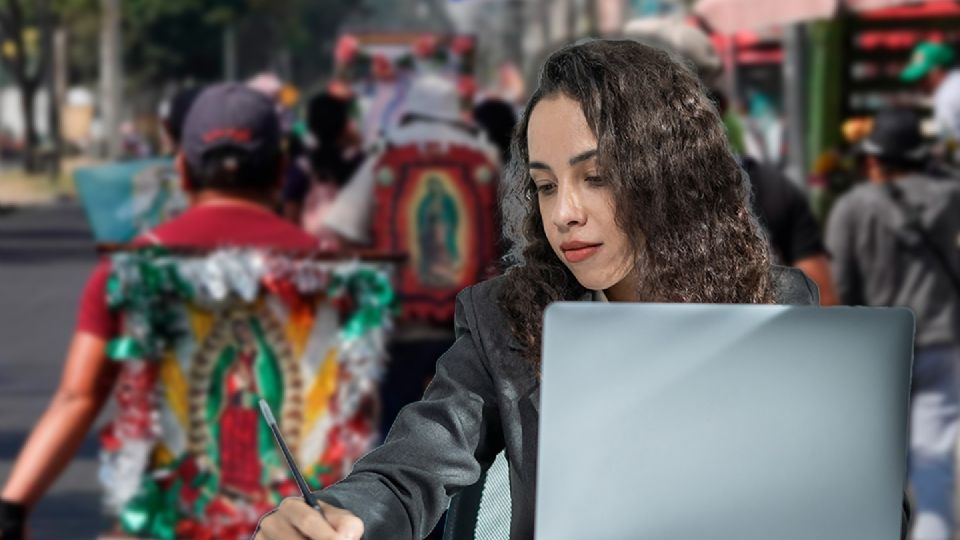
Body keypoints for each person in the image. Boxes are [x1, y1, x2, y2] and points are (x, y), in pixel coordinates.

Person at [253, 40, 905, 540]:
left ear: (667, 172)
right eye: (544, 184)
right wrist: (345, 515)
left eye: (594, 177)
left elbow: (842, 495)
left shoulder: (773, 307)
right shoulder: (505, 319)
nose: (564, 212)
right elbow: (414, 465)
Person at [0, 83, 320, 538]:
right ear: (281, 171)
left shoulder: (130, 267)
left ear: (183, 171)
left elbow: (78, 396)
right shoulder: (333, 268)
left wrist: (13, 507)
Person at [826, 107, 960, 540]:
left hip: (882, 349)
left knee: (876, 466)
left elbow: (839, 285)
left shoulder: (853, 207)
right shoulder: (952, 196)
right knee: (932, 466)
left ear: (873, 159)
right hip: (943, 341)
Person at [901, 41, 960, 143]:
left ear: (937, 71)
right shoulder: (954, 83)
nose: (919, 84)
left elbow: (952, 143)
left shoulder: (946, 96)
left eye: (922, 77)